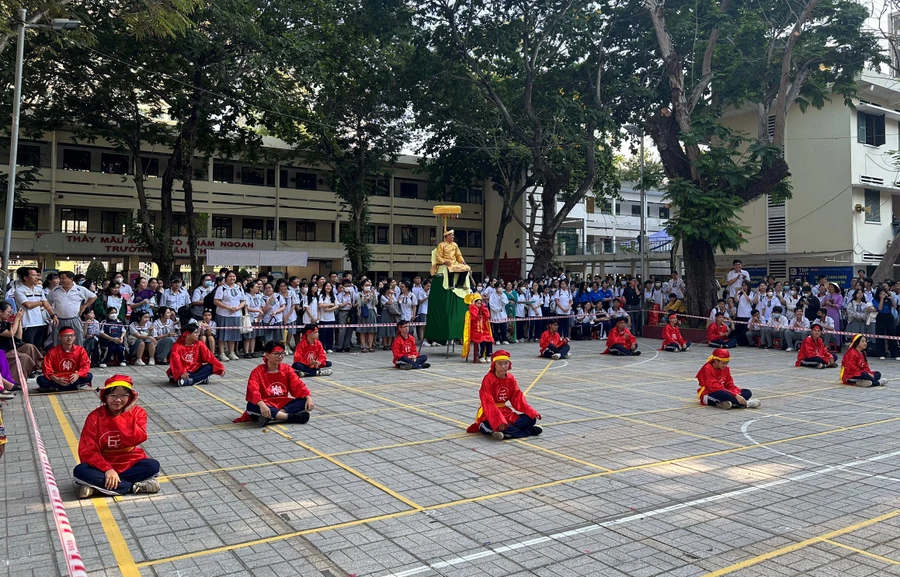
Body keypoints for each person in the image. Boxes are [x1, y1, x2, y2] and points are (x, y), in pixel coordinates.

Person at [73, 375, 160, 498]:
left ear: (131, 397)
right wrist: (107, 469)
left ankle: (98, 487)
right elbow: (87, 451)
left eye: (123, 395)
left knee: (153, 466)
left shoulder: (138, 413)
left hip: (130, 460)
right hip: (104, 462)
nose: (118, 400)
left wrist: (126, 415)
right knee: (80, 471)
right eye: (113, 395)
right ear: (106, 397)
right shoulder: (94, 417)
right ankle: (133, 487)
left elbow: (138, 438)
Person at [465, 350, 543, 440]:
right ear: (494, 365)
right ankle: (528, 431)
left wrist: (532, 411)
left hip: (505, 412)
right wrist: (498, 420)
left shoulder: (510, 378)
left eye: (506, 363)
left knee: (531, 419)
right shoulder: (488, 379)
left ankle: (507, 432)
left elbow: (517, 397)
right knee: (489, 425)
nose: (503, 367)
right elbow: (488, 402)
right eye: (500, 364)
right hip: (489, 413)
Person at [244, 341, 314, 426]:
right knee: (252, 405)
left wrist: (309, 397)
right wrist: (261, 404)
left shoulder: (287, 369)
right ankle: (290, 417)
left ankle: (274, 417)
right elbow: (253, 390)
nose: (280, 356)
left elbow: (298, 384)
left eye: (282, 353)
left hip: (283, 403)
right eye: (276, 354)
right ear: (267, 355)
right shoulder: (257, 371)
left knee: (304, 401)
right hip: (266, 403)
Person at [696, 348, 760, 409]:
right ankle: (746, 403)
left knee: (747, 392)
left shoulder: (726, 369)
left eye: (727, 363)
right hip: (709, 392)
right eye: (723, 363)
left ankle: (727, 403)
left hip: (725, 390)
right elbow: (715, 387)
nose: (725, 365)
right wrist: (735, 395)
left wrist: (737, 393)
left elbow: (729, 384)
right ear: (716, 361)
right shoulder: (707, 368)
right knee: (722, 393)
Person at [167, 321, 226, 387]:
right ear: (188, 335)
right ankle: (201, 378)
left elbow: (210, 357)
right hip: (184, 370)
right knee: (174, 371)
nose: (198, 334)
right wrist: (182, 371)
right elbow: (176, 361)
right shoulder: (177, 346)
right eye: (195, 333)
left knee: (210, 367)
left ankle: (190, 381)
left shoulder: (200, 344)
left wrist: (220, 367)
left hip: (196, 369)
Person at [35, 326, 93, 393]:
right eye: (66, 336)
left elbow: (85, 366)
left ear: (74, 337)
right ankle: (72, 387)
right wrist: (56, 379)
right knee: (40, 379)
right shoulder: (52, 351)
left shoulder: (81, 350)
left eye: (71, 335)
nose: (69, 338)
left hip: (73, 377)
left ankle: (57, 388)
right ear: (60, 337)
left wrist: (78, 374)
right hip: (58, 378)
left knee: (89, 376)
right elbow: (47, 368)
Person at [48, 271, 97, 347]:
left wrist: (84, 306)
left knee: (76, 341)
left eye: (63, 278)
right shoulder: (55, 290)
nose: (61, 280)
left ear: (71, 279)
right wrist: (52, 313)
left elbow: (93, 297)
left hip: (74, 319)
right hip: (58, 320)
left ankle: (76, 357)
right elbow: (48, 301)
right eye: (60, 278)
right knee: (57, 341)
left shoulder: (80, 289)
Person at [15, 266, 56, 348]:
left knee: (39, 347)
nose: (37, 277)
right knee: (29, 348)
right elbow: (28, 305)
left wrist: (53, 315)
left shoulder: (39, 289)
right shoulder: (19, 290)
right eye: (34, 275)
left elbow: (46, 304)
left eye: (37, 275)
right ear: (26, 278)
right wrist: (41, 302)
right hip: (28, 324)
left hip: (40, 322)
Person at [213, 270, 246, 362]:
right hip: (223, 314)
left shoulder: (239, 288)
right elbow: (216, 301)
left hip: (236, 314)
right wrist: (228, 307)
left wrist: (238, 307)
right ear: (226, 278)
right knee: (222, 334)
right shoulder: (221, 288)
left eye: (234, 276)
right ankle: (222, 353)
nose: (232, 278)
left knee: (233, 334)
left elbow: (243, 301)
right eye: (230, 276)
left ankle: (231, 352)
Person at [467, 294, 494, 363]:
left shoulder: (482, 311)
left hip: (483, 331)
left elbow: (487, 316)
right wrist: (474, 307)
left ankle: (488, 355)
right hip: (474, 331)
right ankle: (480, 355)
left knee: (489, 339)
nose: (479, 305)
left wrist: (483, 308)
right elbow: (474, 317)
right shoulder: (470, 312)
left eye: (480, 303)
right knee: (482, 340)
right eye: (477, 303)